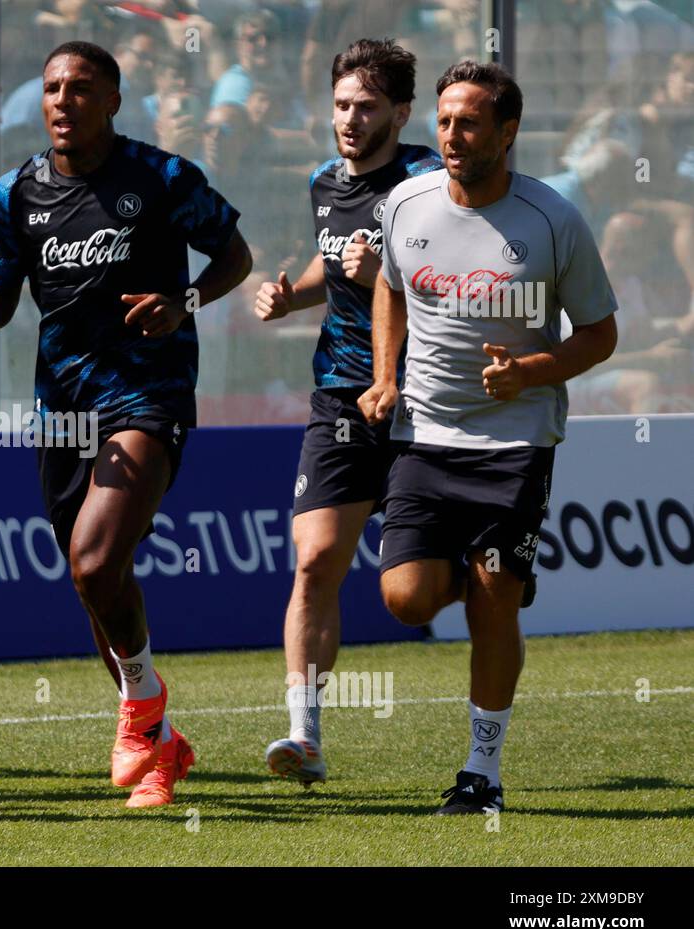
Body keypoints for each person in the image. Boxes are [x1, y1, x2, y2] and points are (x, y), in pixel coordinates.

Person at [0, 41, 252, 808]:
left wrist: (181, 302)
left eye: (81, 88)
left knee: (92, 563)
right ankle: (158, 745)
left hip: (147, 395)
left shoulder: (161, 177)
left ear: (114, 100)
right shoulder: (13, 192)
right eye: (52, 88)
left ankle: (140, 710)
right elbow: (2, 283)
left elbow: (235, 256)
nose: (62, 101)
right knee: (98, 582)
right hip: (60, 408)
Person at [358, 61, 618, 814]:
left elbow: (600, 332)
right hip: (423, 436)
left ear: (507, 133)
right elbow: (389, 285)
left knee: (495, 593)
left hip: (514, 440)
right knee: (407, 600)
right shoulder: (405, 203)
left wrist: (532, 369)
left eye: (468, 123)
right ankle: (489, 573)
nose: (450, 136)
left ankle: (482, 772)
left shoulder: (552, 219)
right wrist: (384, 376)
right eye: (442, 121)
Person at [252, 39, 442, 787]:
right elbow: (333, 260)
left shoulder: (429, 183)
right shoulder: (324, 181)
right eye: (340, 105)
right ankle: (305, 735)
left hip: (424, 396)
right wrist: (290, 295)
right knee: (314, 562)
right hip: (339, 396)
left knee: (412, 592)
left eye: (366, 107)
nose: (350, 120)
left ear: (401, 111)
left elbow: (462, 285)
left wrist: (394, 272)